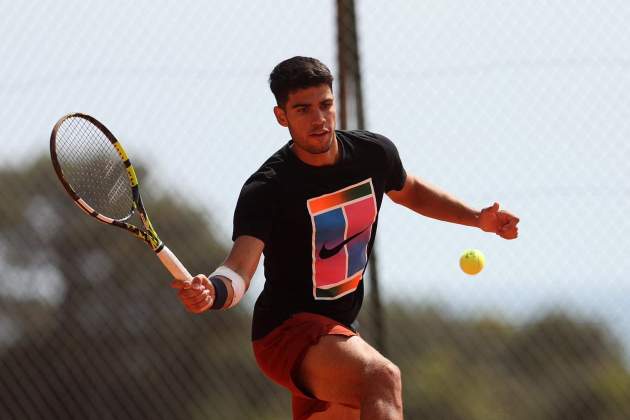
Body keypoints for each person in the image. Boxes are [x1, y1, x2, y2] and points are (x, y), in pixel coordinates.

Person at [172, 56, 519, 420]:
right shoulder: (268, 187)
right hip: (286, 332)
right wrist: (213, 291)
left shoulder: (373, 155)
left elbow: (411, 190)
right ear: (282, 116)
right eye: (303, 109)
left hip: (338, 332)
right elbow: (239, 269)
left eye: (325, 105)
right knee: (382, 376)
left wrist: (477, 219)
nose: (319, 119)